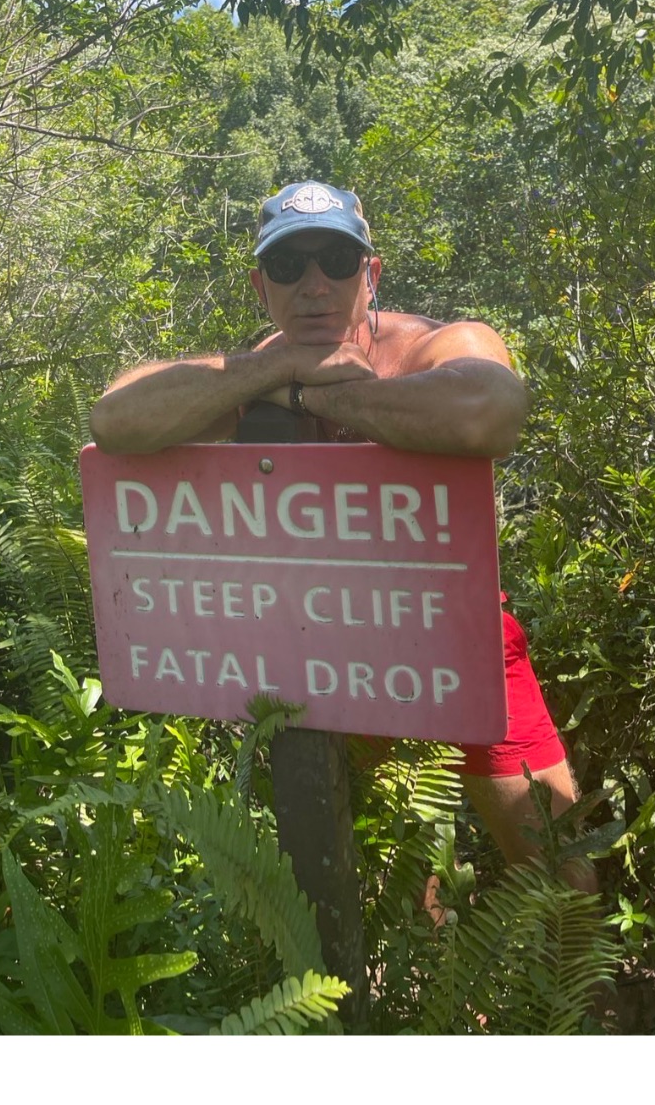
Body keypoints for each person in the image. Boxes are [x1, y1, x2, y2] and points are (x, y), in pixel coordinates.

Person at [90, 178, 587, 878]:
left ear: (370, 273)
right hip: (330, 646)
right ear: (262, 286)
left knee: (558, 860)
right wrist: (276, 370)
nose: (314, 284)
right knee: (398, 869)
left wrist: (319, 388)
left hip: (461, 633)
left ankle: (582, 990)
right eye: (290, 266)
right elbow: (115, 418)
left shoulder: (431, 344)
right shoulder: (257, 365)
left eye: (336, 260)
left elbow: (492, 406)